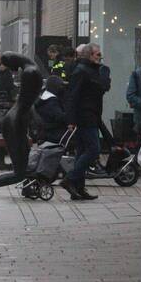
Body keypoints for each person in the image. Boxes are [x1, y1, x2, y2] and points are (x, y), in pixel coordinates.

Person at [61, 43, 105, 200]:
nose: (100, 57)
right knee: (94, 149)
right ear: (89, 55)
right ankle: (70, 179)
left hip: (90, 115)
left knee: (81, 151)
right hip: (85, 116)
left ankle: (78, 188)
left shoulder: (92, 70)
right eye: (97, 54)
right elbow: (73, 96)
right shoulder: (82, 71)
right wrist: (71, 119)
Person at [33, 75, 68, 144]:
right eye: (61, 86)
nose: (63, 88)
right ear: (56, 87)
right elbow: (61, 117)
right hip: (54, 134)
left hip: (46, 133)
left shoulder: (43, 100)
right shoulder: (51, 102)